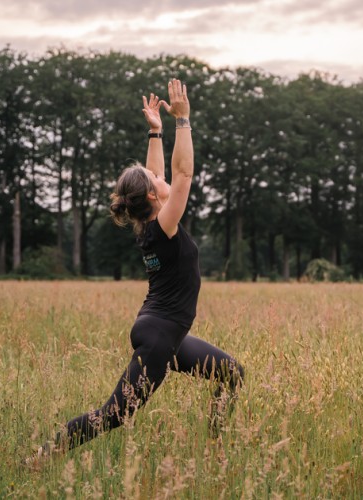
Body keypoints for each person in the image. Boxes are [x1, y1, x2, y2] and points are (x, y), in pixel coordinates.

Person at [57, 79, 244, 452]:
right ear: (153, 196)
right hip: (160, 336)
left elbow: (153, 174)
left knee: (231, 373)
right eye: (157, 182)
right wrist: (183, 121)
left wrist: (155, 131)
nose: (162, 179)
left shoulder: (146, 226)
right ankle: (52, 447)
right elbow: (184, 175)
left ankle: (216, 442)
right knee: (115, 414)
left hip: (163, 331)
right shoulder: (164, 225)